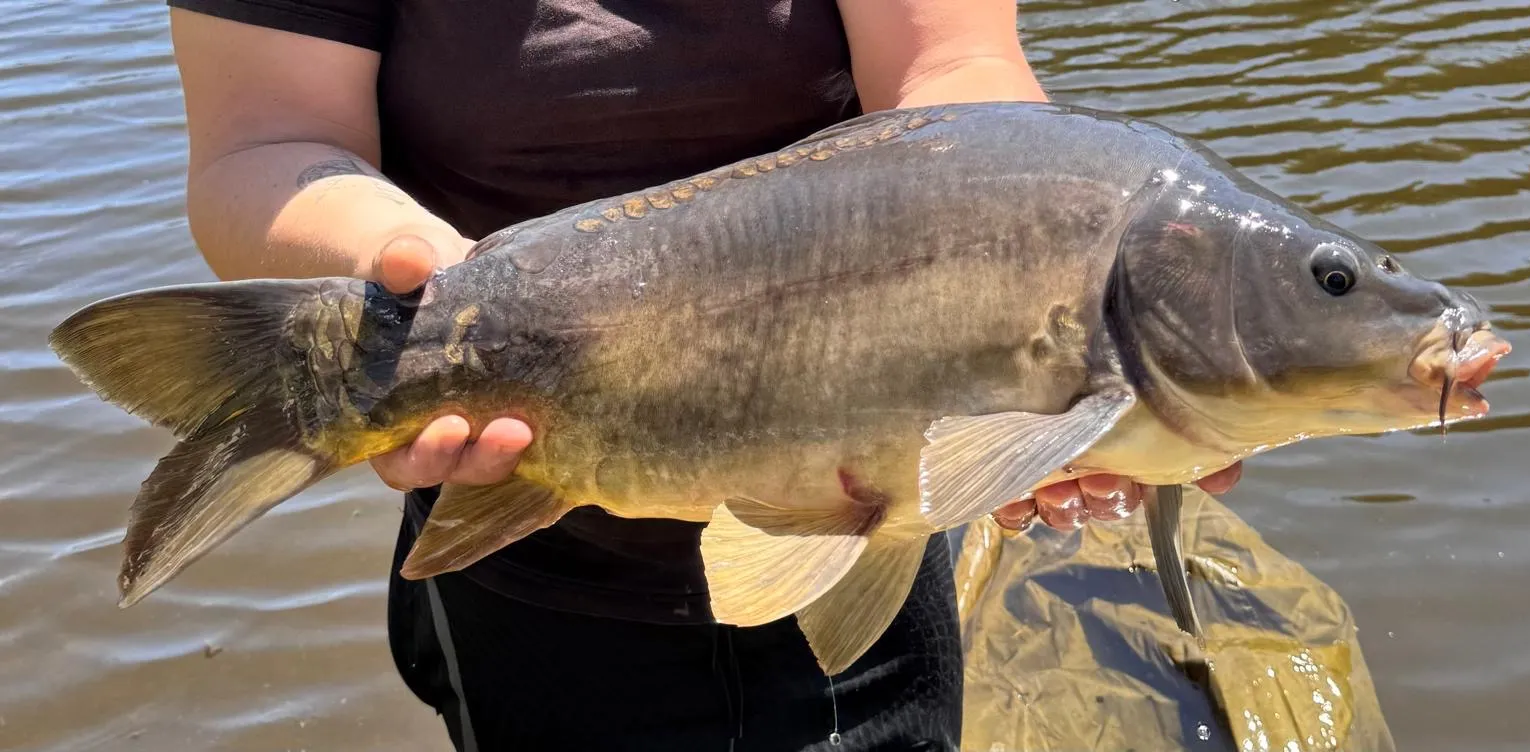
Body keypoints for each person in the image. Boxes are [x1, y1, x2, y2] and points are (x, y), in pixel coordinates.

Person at [162, 1, 1242, 749]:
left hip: (868, 502)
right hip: (528, 544)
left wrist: (1038, 310)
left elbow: (949, 71)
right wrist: (428, 287)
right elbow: (267, 142)